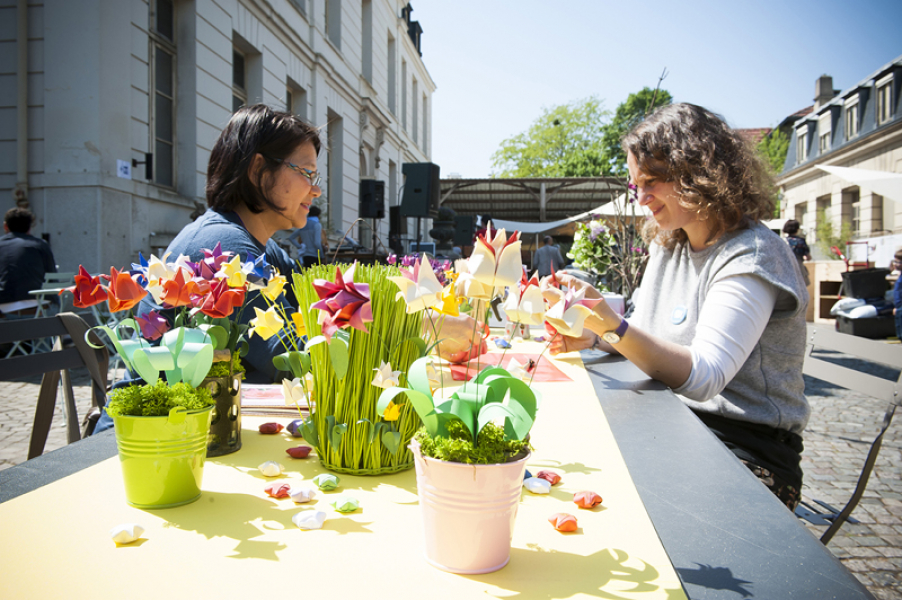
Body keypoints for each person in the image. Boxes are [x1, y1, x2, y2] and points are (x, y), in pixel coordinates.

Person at [543, 103, 810, 510]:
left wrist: (612, 325)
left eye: (651, 180)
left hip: (745, 450)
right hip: (675, 427)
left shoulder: (752, 255)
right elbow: (647, 333)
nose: (642, 197)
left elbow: (705, 377)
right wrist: (593, 335)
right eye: (637, 184)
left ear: (697, 172)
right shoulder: (671, 242)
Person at [0, 207, 57, 305]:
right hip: (38, 306)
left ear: (5, 226)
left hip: (3, 307)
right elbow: (52, 278)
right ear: (30, 227)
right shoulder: (40, 245)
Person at [783, 219, 811, 286]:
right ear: (797, 229)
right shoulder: (801, 241)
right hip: (799, 267)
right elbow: (808, 257)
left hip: (785, 269)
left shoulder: (783, 241)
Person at [893, 249, 902, 341]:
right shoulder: (900, 275)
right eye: (894, 261)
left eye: (898, 262)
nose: (895, 264)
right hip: (899, 307)